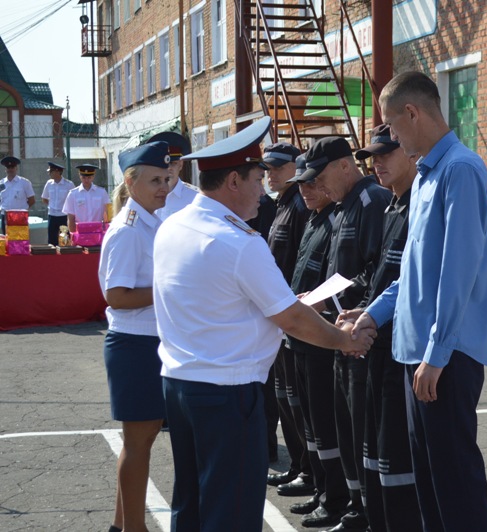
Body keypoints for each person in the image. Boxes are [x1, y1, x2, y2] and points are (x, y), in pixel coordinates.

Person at [152, 117, 375, 531]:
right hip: (227, 394)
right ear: (234, 181)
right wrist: (345, 340)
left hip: (180, 387)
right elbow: (290, 317)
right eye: (258, 178)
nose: (267, 188)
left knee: (193, 501)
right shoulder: (238, 241)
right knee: (232, 511)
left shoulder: (174, 225)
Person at [351, 71, 487, 532]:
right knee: (431, 490)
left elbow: (458, 274)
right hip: (419, 355)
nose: (390, 136)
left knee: (455, 489)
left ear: (412, 113)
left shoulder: (460, 170)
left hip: (442, 357)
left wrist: (436, 354)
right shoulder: (427, 177)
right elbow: (413, 274)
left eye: (392, 126)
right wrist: (372, 314)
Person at [297, 136, 391, 530]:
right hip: (341, 330)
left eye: (321, 177)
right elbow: (339, 271)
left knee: (361, 431)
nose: (317, 186)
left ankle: (364, 509)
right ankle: (351, 502)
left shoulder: (372, 202)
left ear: (343, 166)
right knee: (344, 426)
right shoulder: (343, 207)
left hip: (363, 333)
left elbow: (374, 271)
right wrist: (316, 297)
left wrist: (329, 303)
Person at [337, 124, 423, 532]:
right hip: (376, 343)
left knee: (397, 461)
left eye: (386, 153)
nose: (377, 163)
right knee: (375, 453)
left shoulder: (418, 207)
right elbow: (381, 275)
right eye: (372, 156)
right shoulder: (392, 205)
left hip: (402, 351)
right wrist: (359, 310)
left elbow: (414, 282)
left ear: (409, 152)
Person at [97, 141, 172, 532]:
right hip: (135, 345)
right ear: (131, 181)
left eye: (167, 178)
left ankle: (121, 525)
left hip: (150, 343)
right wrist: (172, 289)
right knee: (138, 443)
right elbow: (115, 295)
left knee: (140, 443)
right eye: (156, 180)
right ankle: (134, 529)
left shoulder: (150, 219)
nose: (165, 186)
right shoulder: (128, 230)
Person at [283, 157, 350, 524]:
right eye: (302, 184)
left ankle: (335, 497)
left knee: (325, 422)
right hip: (301, 331)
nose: (306, 190)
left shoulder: (337, 219)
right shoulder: (313, 219)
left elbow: (340, 278)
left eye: (313, 183)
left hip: (320, 332)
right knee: (309, 419)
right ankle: (322, 490)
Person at [260, 142, 314, 495]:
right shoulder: (283, 204)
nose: (270, 173)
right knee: (285, 398)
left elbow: (298, 262)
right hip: (278, 316)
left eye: (278, 167)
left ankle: (307, 471)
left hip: (291, 314)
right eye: (267, 168)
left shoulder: (298, 205)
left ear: (295, 167)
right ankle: (298, 466)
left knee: (297, 401)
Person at [147, 131, 199, 221]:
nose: (169, 168)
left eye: (173, 163)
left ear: (181, 165)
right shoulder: (147, 196)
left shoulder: (194, 197)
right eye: (164, 164)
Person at [63, 164, 111, 233]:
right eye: (84, 177)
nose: (86, 180)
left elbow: (107, 213)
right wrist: (73, 235)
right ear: (80, 176)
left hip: (97, 231)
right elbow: (71, 217)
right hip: (80, 231)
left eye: (89, 177)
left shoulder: (101, 192)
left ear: (93, 176)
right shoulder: (73, 194)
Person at [41, 162, 74, 246]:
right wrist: (52, 206)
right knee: (52, 241)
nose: (49, 174)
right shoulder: (49, 184)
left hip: (64, 216)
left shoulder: (69, 184)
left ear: (57, 172)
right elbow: (44, 198)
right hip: (52, 215)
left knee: (65, 241)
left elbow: (73, 200)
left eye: (51, 171)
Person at [0, 155, 35, 233]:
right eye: (8, 168)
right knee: (7, 240)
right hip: (5, 216)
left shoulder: (25, 182)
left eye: (12, 167)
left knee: (20, 241)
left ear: (16, 168)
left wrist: (23, 209)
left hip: (20, 216)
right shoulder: (1, 183)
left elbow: (32, 200)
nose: (10, 169)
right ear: (5, 169)